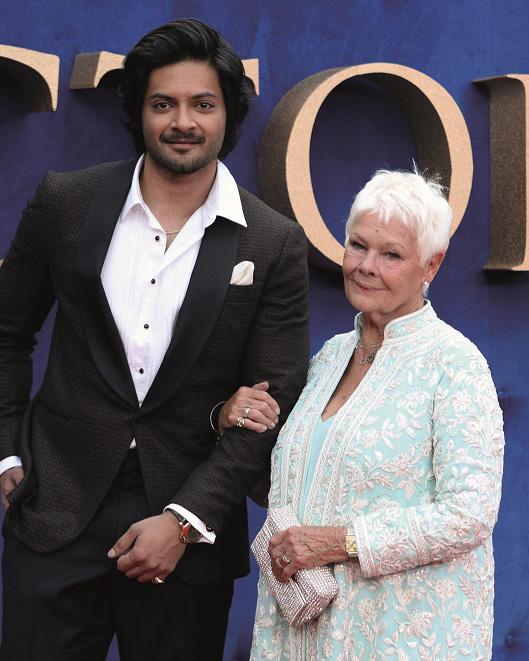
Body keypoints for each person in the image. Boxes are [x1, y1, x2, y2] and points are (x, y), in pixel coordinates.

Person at [0, 18, 309, 661]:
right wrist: (6, 455)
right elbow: (6, 332)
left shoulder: (271, 241)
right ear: (139, 112)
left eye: (203, 104)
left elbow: (274, 398)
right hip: (55, 510)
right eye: (163, 104)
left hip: (188, 533)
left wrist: (185, 519)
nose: (182, 122)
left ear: (228, 113)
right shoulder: (67, 202)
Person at [224, 169, 504, 659]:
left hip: (401, 638)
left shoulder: (455, 364)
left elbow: (469, 515)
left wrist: (340, 542)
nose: (366, 266)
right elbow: (292, 485)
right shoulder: (331, 355)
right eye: (358, 246)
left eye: (391, 255)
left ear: (432, 265)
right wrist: (235, 417)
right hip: (300, 634)